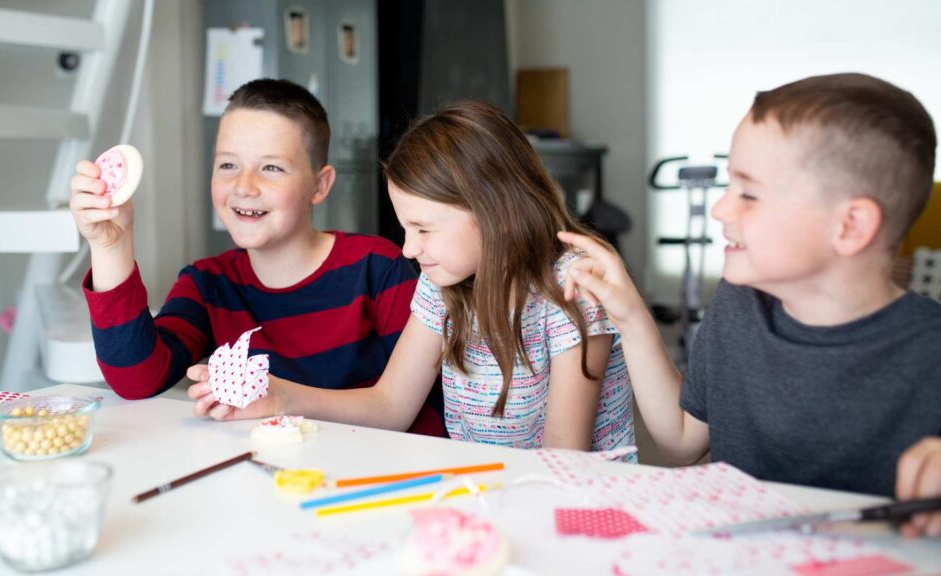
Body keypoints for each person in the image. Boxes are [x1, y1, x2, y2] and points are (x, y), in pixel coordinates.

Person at [559, 72, 941, 536]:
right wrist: (632, 316)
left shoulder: (930, 353)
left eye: (749, 193)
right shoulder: (738, 306)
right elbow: (681, 440)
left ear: (850, 226)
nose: (721, 210)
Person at [190, 100, 635, 453]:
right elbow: (390, 406)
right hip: (487, 494)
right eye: (405, 228)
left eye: (423, 228)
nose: (407, 249)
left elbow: (563, 456)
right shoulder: (442, 285)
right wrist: (280, 396)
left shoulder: (572, 291)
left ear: (498, 215)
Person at [69, 78, 445, 436]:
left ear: (320, 184)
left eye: (271, 167)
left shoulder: (377, 267)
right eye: (228, 165)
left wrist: (284, 400)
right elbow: (136, 379)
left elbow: (417, 411)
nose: (244, 186)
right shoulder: (207, 284)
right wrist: (110, 247)